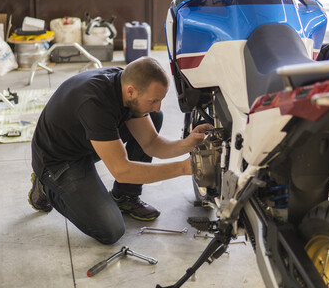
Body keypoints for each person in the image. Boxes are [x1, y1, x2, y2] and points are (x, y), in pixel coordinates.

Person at [28, 56, 210, 244]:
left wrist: (188, 143)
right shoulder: (95, 103)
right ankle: (44, 186)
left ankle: (125, 196)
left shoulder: (125, 84)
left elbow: (152, 143)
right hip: (58, 162)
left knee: (154, 119)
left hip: (84, 141)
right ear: (131, 91)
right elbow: (122, 170)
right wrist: (183, 168)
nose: (157, 107)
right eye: (154, 100)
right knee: (110, 230)